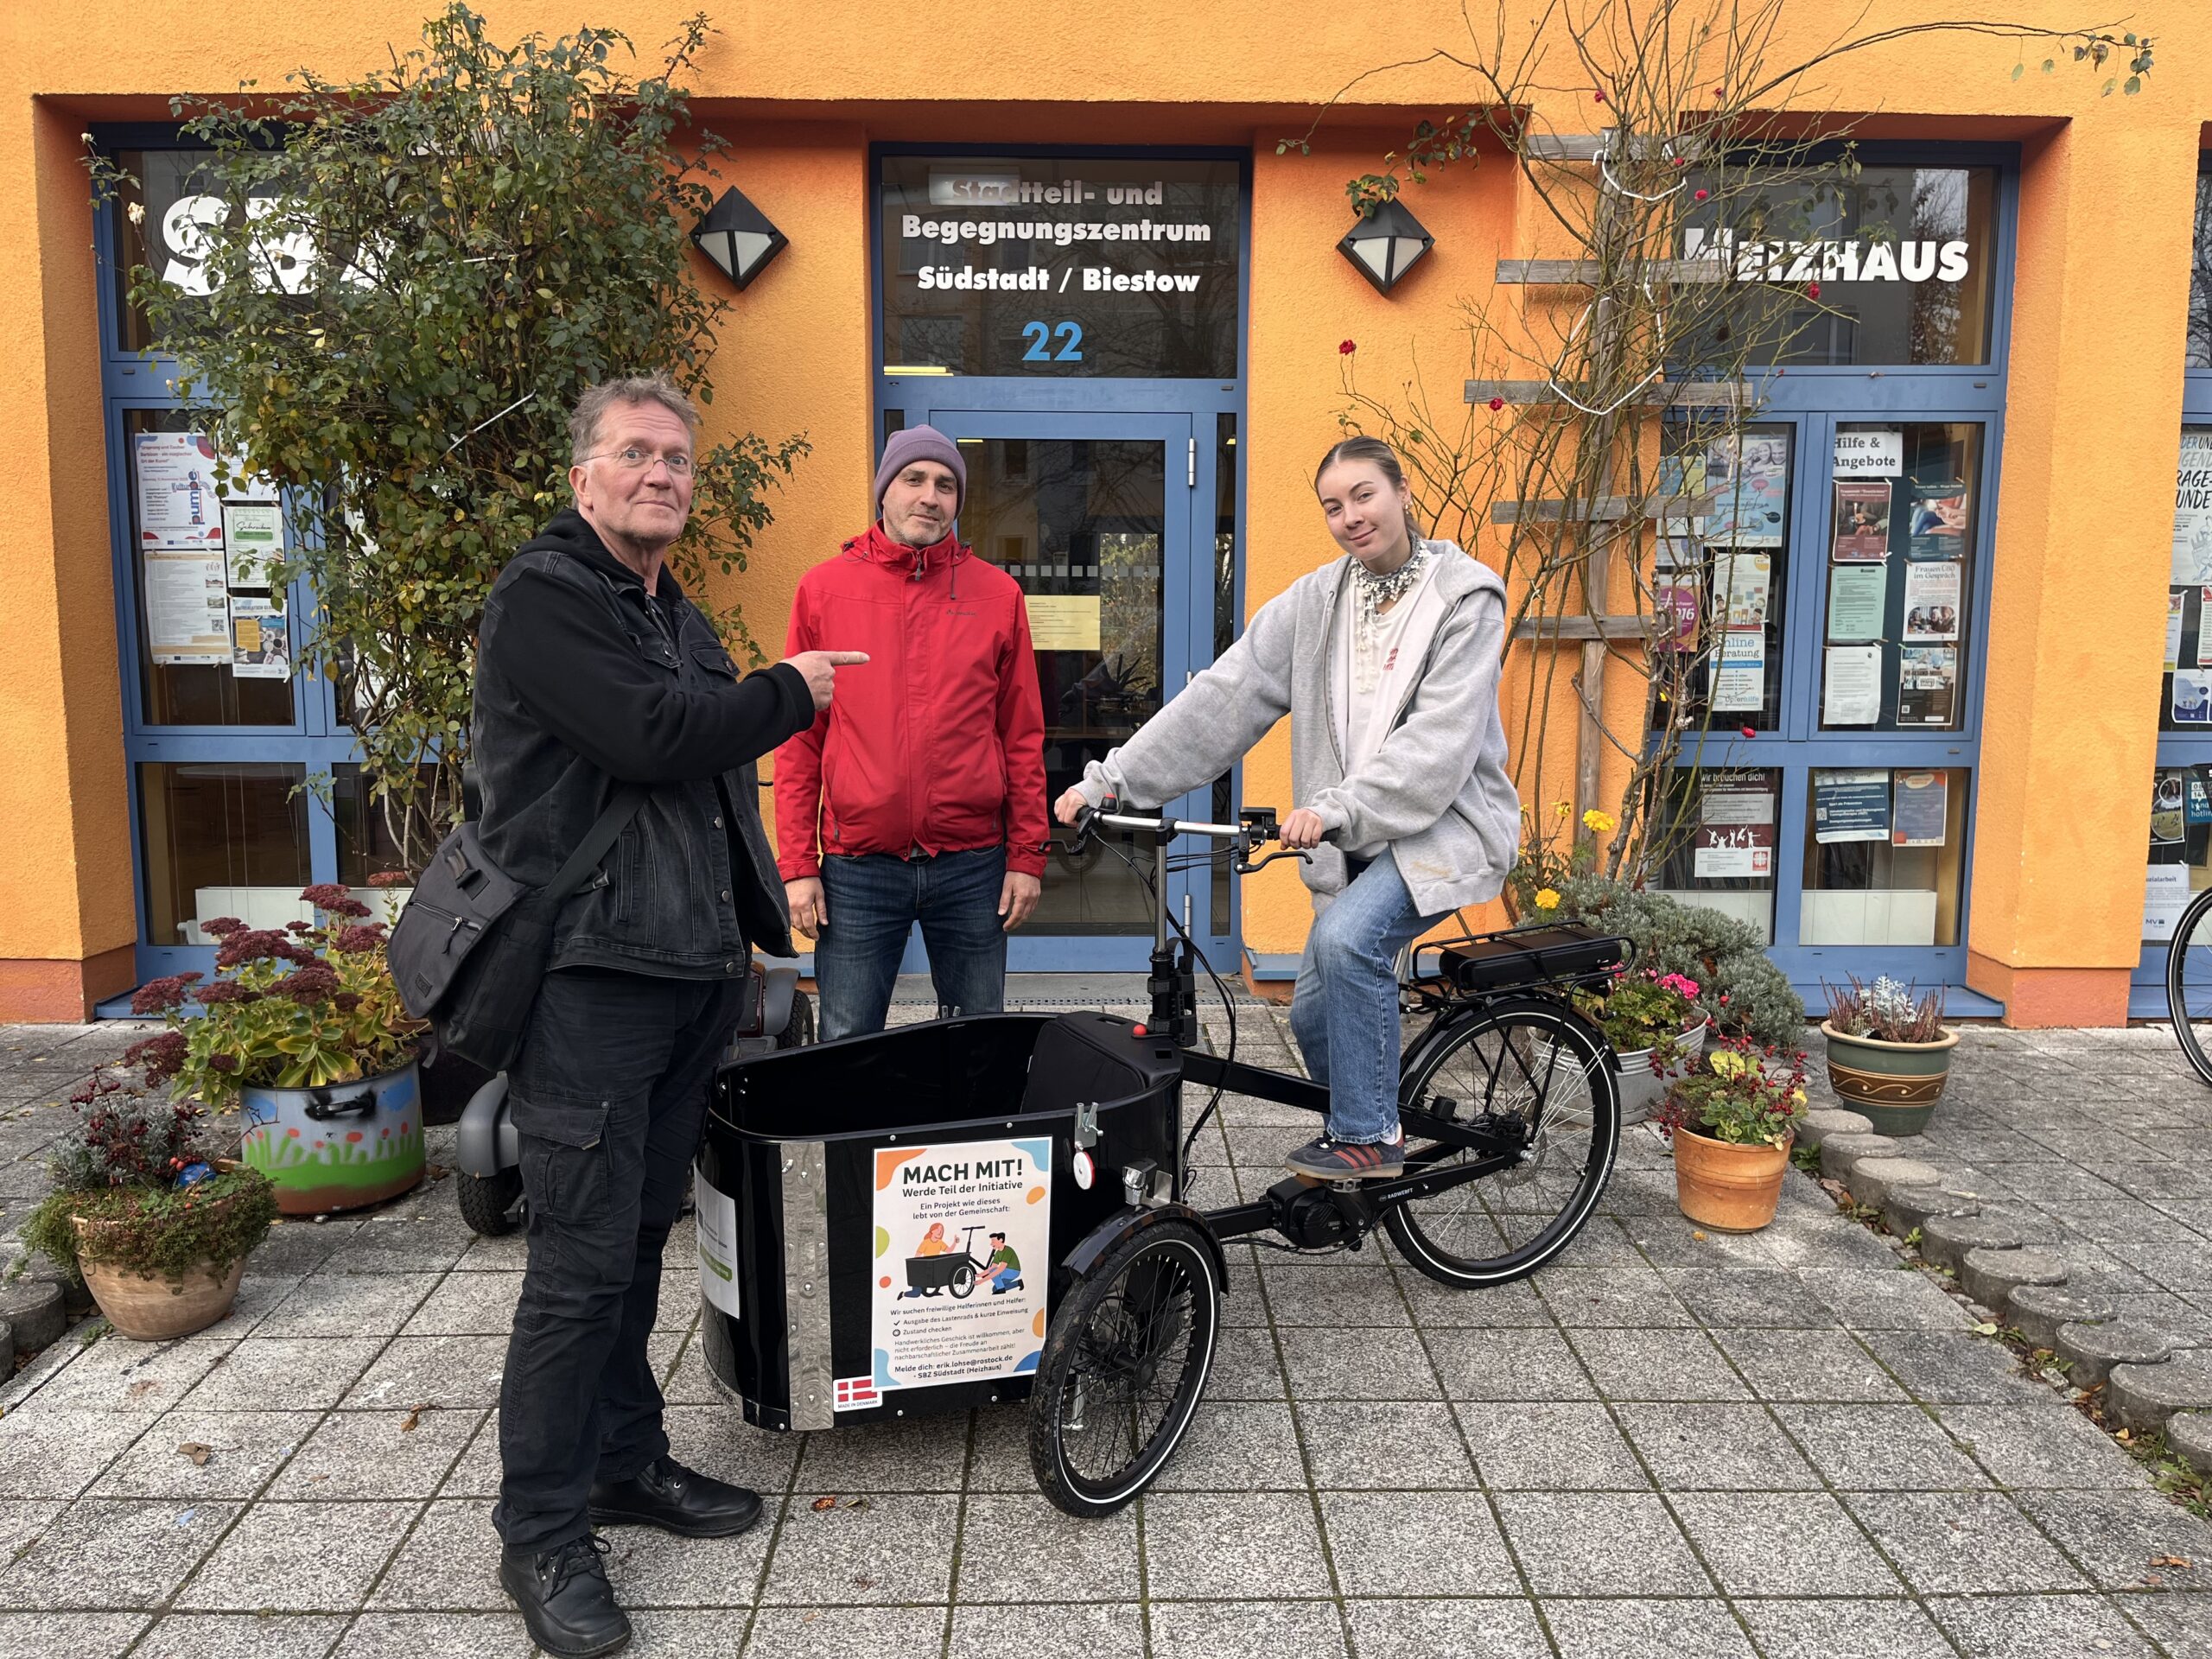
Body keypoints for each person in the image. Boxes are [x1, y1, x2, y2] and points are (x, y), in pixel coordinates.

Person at [473, 371, 865, 1658]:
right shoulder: (545, 599)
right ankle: (539, 1532)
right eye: (637, 455)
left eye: (678, 461)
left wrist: (761, 943)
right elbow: (654, 737)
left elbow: (705, 780)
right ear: (584, 476)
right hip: (589, 986)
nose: (661, 475)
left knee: (641, 1247)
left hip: (690, 976)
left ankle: (623, 1466)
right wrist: (790, 689)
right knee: (577, 1275)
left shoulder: (671, 610)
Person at [1053, 435, 1518, 1180]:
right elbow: (1221, 700)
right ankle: (1373, 1130)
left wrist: (1335, 807)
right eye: (1333, 507)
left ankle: (1369, 1137)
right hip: (1352, 838)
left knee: (1344, 943)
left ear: (1402, 492)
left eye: (1364, 495)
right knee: (1309, 1014)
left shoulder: (1464, 599)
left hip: (1442, 829)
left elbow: (1437, 748)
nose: (1350, 517)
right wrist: (1110, 782)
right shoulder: (1314, 601)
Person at [776, 425, 1049, 1039]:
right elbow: (800, 739)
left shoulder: (998, 595)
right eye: (914, 479)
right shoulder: (823, 590)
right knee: (845, 1049)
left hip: (973, 864)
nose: (930, 496)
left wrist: (1027, 856)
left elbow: (1022, 736)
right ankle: (857, 1143)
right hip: (857, 867)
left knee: (979, 1048)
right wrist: (797, 865)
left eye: (946, 485)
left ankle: (966, 1140)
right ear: (884, 491)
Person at [984, 1230, 1023, 1294]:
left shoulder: (1008, 1250)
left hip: (1014, 1271)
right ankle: (1018, 1283)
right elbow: (993, 1267)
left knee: (993, 1272)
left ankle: (1002, 1290)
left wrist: (982, 1280)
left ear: (1001, 1240)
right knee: (994, 1289)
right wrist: (981, 1275)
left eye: (993, 1241)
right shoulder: (998, 1252)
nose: (991, 1244)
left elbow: (1000, 1269)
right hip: (1006, 1271)